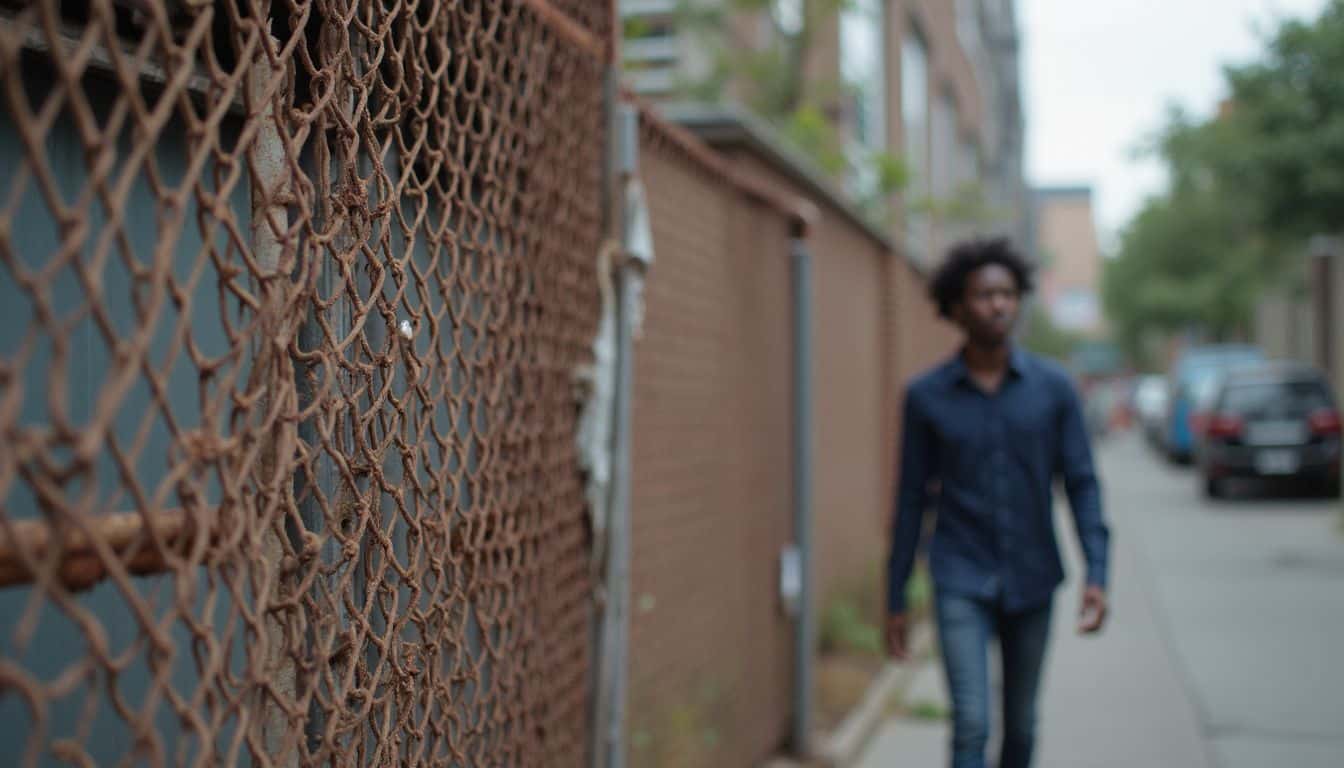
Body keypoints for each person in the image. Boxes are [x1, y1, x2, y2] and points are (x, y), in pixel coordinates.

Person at [885, 237, 1110, 768]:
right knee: (970, 722)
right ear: (958, 307)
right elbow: (911, 496)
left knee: (1022, 726)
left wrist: (1097, 572)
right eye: (985, 295)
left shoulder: (1053, 389)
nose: (999, 304)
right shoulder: (927, 396)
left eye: (1007, 294)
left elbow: (1081, 482)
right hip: (960, 575)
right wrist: (895, 592)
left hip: (1033, 577)